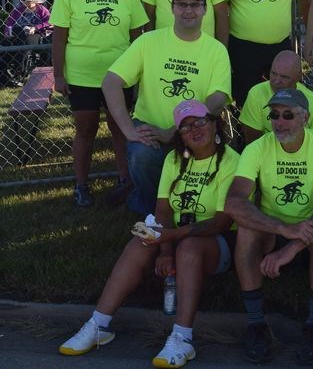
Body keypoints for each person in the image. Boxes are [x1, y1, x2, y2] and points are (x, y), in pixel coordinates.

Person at [58, 100, 239, 368]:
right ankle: (99, 324)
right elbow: (163, 210)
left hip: (215, 242)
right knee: (139, 243)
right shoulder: (175, 159)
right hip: (176, 235)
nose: (194, 130)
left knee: (189, 247)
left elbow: (222, 222)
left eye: (200, 121)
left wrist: (172, 238)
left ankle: (182, 338)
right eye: (186, 127)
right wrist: (165, 250)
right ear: (179, 135)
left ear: (215, 123)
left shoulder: (232, 161)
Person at [224, 88, 313, 365]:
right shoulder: (257, 148)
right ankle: (256, 325)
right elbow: (234, 202)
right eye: (274, 115)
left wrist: (292, 247)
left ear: (306, 117)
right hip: (275, 230)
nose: (279, 121)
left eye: (288, 115)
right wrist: (282, 229)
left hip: (308, 232)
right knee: (246, 227)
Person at [102, 0, 231, 215]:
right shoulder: (148, 41)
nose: (188, 10)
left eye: (195, 4)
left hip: (193, 130)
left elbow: (218, 98)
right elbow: (110, 81)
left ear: (205, 10)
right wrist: (129, 130)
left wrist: (175, 131)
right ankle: (151, 210)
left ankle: (164, 201)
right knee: (142, 155)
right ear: (171, 8)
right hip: (151, 127)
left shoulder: (216, 50)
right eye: (182, 4)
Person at [50, 0, 149, 207]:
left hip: (118, 75)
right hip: (83, 75)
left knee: (120, 127)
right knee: (85, 130)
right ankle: (81, 184)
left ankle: (124, 180)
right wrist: (59, 75)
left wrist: (136, 71)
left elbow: (137, 34)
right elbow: (59, 38)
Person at [239, 50, 313, 144]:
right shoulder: (256, 93)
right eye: (274, 74)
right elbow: (253, 142)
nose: (277, 81)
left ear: (298, 76)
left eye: (284, 77)